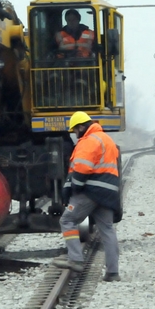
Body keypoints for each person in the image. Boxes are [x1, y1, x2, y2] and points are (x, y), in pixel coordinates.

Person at [52, 111, 122, 282]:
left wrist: (72, 189)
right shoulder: (106, 139)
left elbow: (82, 168)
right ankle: (113, 273)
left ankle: (75, 259)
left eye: (75, 130)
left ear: (82, 127)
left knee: (67, 221)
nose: (76, 135)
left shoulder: (89, 140)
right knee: (107, 230)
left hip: (90, 191)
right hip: (108, 192)